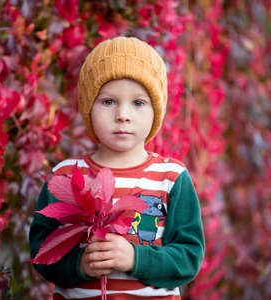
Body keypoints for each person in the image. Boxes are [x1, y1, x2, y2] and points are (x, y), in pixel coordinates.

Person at [29, 36, 205, 300]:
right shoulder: (67, 175)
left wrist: (135, 258)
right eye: (108, 101)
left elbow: (189, 257)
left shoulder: (171, 178)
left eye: (138, 103)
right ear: (89, 107)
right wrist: (79, 264)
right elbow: (42, 249)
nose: (123, 114)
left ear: (156, 111)